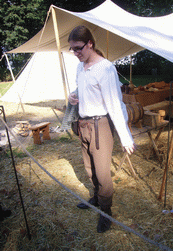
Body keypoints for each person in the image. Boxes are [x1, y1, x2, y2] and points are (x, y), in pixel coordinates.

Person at [68, 25, 135, 233]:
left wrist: (125, 137)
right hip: (84, 124)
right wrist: (72, 97)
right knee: (89, 169)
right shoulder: (80, 67)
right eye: (72, 49)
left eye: (78, 48)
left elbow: (115, 104)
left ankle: (106, 212)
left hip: (101, 126)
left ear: (90, 44)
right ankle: (97, 199)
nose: (76, 53)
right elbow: (82, 89)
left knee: (103, 174)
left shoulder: (105, 68)